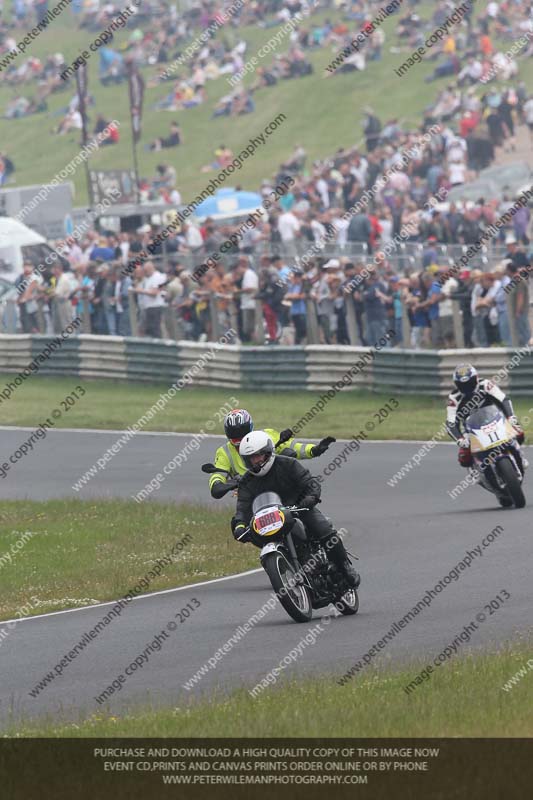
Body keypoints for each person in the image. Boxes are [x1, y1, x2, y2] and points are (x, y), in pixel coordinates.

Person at [231, 430, 359, 588]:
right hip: (272, 519)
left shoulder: (287, 464)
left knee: (325, 531)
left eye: (258, 456)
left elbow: (309, 482)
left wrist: (311, 497)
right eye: (250, 458)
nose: (254, 461)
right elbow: (242, 507)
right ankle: (283, 568)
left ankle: (344, 567)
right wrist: (239, 526)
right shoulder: (246, 482)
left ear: (267, 452)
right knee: (259, 541)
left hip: (300, 509)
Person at [208, 409, 335, 499]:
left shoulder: (266, 436)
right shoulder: (224, 452)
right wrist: (218, 485)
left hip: (279, 485)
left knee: (307, 511)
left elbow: (293, 446)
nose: (240, 440)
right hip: (251, 496)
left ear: (250, 428)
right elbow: (218, 474)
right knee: (239, 527)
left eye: (243, 434)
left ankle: (328, 535)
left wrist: (314, 450)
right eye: (235, 437)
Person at [446, 364, 524, 468]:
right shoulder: (454, 398)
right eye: (463, 385)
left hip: (495, 419)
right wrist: (460, 440)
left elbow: (503, 399)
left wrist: (511, 417)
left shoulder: (485, 385)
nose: (467, 387)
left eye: (469, 383)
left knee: (519, 432)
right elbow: (450, 423)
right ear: (457, 384)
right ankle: (477, 469)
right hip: (470, 429)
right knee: (464, 458)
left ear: (476, 378)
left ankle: (519, 456)